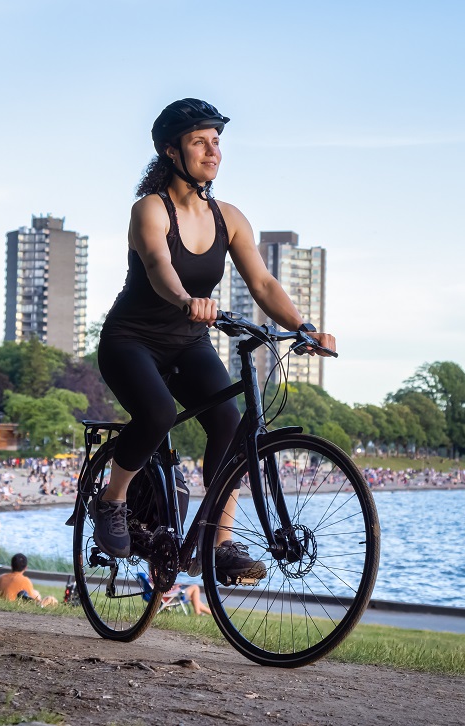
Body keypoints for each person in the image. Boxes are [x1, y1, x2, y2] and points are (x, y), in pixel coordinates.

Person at [92, 99, 335, 581]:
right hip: (132, 339)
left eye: (216, 141)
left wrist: (303, 326)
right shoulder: (150, 210)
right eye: (200, 141)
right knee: (158, 413)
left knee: (231, 423)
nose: (213, 151)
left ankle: (217, 544)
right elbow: (161, 269)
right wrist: (188, 300)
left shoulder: (229, 218)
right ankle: (112, 499)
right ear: (171, 151)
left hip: (188, 341)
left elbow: (263, 285)